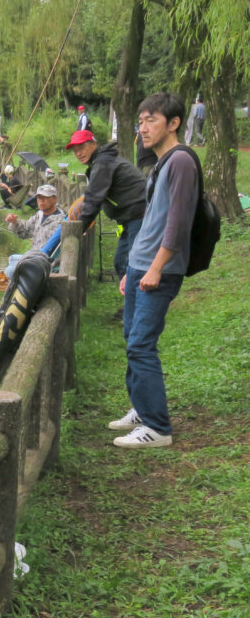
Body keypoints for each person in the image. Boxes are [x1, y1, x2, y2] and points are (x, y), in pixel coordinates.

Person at [110, 92, 199, 449]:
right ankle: (142, 408)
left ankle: (157, 428)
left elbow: (177, 224)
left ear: (173, 123)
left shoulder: (181, 162)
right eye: (140, 120)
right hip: (140, 266)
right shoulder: (161, 162)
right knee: (132, 338)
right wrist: (131, 267)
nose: (143, 128)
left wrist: (155, 269)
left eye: (151, 120)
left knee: (141, 344)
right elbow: (151, 220)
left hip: (158, 271)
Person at [65, 129, 147, 278]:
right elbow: (95, 196)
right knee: (121, 262)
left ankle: (140, 298)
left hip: (140, 214)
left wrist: (80, 227)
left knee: (132, 263)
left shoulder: (103, 163)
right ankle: (133, 298)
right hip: (131, 216)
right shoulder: (101, 161)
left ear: (93, 144)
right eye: (75, 151)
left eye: (81, 148)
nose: (78, 153)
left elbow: (94, 198)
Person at [4, 184, 65, 278]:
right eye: (39, 198)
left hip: (45, 263)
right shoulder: (39, 214)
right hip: (32, 257)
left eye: (45, 197)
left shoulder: (60, 220)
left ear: (54, 199)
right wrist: (14, 222)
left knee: (10, 271)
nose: (41, 201)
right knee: (12, 259)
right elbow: (25, 230)